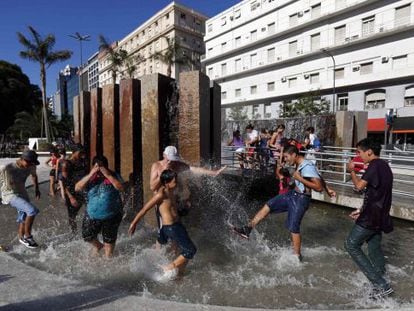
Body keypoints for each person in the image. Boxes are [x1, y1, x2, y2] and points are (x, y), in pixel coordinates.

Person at [232, 145, 336, 261]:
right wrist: (329, 189)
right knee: (269, 205)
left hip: (301, 199)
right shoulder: (301, 163)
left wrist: (301, 179)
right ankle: (247, 229)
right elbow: (319, 176)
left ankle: (297, 257)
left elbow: (318, 187)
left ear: (294, 155)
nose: (285, 159)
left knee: (293, 227)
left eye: (286, 157)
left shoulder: (307, 166)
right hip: (292, 195)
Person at [345, 138, 394, 299]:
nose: (358, 156)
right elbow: (377, 194)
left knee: (351, 244)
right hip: (380, 215)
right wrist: (361, 209)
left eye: (359, 152)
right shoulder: (385, 166)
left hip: (371, 217)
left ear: (369, 152)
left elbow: (358, 187)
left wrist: (351, 170)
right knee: (374, 248)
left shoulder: (374, 166)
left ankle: (381, 285)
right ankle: (380, 282)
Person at [129, 169, 197, 279]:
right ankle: (169, 267)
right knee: (190, 250)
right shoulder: (161, 194)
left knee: (183, 251)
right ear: (166, 182)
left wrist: (185, 207)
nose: (177, 183)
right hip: (171, 228)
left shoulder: (172, 192)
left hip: (177, 226)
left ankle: (179, 275)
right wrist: (133, 223)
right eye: (174, 181)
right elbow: (144, 209)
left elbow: (173, 209)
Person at [150, 146, 226, 243]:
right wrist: (163, 172)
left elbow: (194, 169)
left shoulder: (177, 165)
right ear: (164, 155)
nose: (171, 162)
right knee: (163, 230)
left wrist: (213, 173)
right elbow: (152, 187)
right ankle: (159, 251)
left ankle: (175, 250)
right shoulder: (156, 166)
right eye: (169, 159)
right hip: (162, 203)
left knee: (176, 228)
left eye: (173, 159)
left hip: (173, 201)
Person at [75, 156, 124, 258]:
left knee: (109, 244)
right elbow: (77, 188)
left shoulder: (113, 175)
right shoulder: (89, 177)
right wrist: (91, 174)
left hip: (112, 215)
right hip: (92, 214)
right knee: (87, 236)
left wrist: (108, 175)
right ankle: (98, 246)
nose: (100, 169)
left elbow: (121, 188)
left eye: (102, 167)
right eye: (97, 167)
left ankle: (108, 263)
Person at [0, 150, 41, 248]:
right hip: (10, 194)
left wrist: (37, 189)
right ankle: (28, 236)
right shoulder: (7, 168)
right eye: (28, 162)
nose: (30, 165)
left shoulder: (31, 166)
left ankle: (21, 239)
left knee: (24, 216)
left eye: (32, 163)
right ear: (22, 159)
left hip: (22, 193)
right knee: (32, 210)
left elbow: (34, 176)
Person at [60, 145, 87, 233]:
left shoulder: (82, 161)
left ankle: (89, 231)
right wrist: (71, 197)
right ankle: (74, 233)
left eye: (83, 152)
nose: (82, 154)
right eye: (80, 152)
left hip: (83, 191)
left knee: (91, 211)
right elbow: (64, 183)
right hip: (71, 192)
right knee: (72, 216)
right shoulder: (66, 164)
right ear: (74, 152)